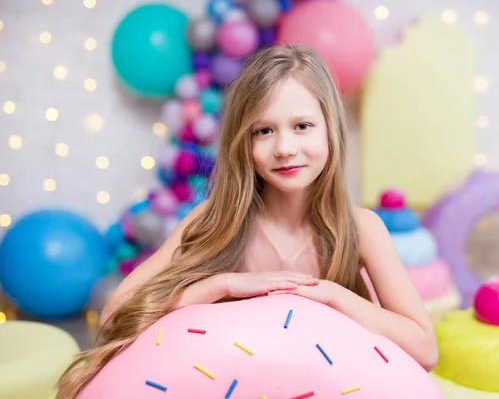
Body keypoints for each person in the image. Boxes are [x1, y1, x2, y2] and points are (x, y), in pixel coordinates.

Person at [56, 44, 437, 398]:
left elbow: (425, 350)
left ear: (331, 128)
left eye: (302, 126)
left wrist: (333, 295)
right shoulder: (215, 219)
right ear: (243, 141)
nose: (285, 148)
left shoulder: (361, 227)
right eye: (264, 131)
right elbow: (114, 317)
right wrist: (223, 284)